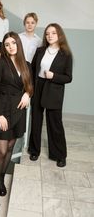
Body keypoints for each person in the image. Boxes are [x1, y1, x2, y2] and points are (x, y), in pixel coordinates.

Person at [0, 32, 33, 208]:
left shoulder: (26, 65)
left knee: (9, 148)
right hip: (3, 110)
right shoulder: (1, 63)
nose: (10, 46)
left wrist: (28, 94)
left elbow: (30, 85)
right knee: (0, 151)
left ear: (18, 44)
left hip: (18, 111)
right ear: (4, 48)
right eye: (6, 44)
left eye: (13, 43)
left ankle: (0, 181)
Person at [28, 23, 73, 167]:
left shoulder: (65, 55)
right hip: (38, 87)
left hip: (53, 90)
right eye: (47, 33)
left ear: (59, 35)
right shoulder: (40, 50)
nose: (50, 36)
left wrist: (53, 76)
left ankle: (59, 155)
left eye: (53, 33)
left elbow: (68, 77)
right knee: (36, 121)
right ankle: (34, 150)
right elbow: (32, 69)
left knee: (55, 124)